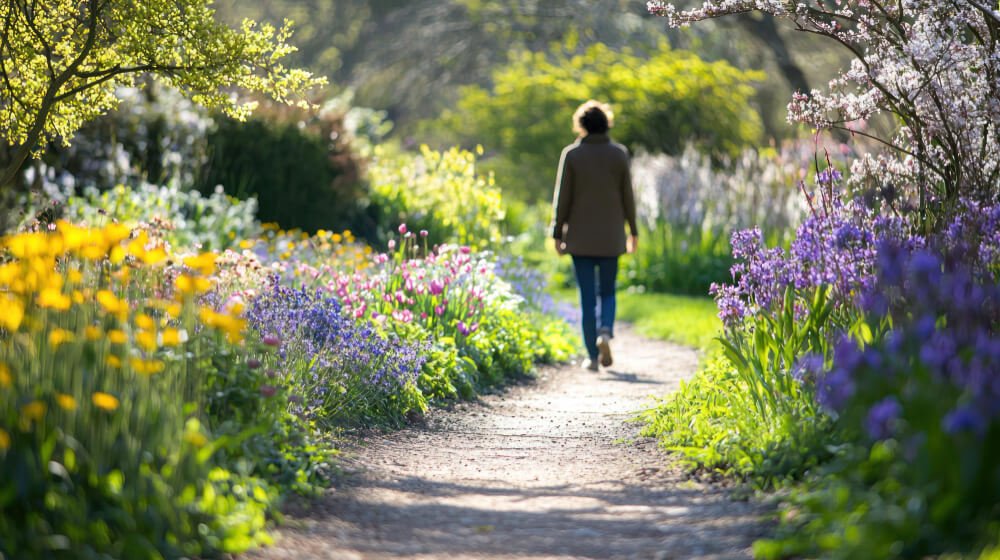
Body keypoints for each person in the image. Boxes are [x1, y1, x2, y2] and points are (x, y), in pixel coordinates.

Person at [551, 100, 638, 372]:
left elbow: (562, 198)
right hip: (611, 237)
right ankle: (605, 331)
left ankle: (591, 357)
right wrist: (633, 231)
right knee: (608, 291)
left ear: (581, 125)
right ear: (606, 124)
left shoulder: (572, 155)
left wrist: (557, 233)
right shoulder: (619, 154)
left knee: (587, 298)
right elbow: (628, 198)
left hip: (579, 238)